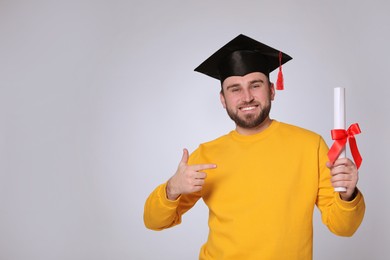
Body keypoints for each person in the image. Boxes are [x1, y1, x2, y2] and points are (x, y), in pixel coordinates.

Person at [143, 34, 365, 260]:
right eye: (235, 89)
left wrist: (348, 196)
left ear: (271, 90)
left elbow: (343, 228)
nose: (247, 97)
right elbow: (153, 221)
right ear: (223, 99)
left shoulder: (310, 145)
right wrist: (172, 188)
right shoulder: (207, 155)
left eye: (255, 85)